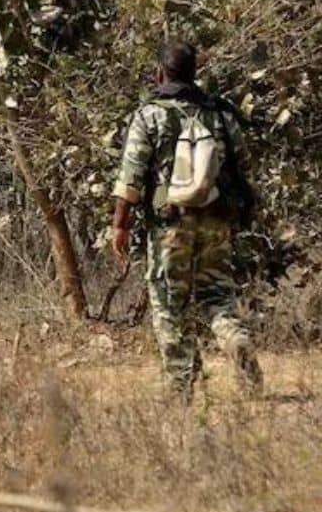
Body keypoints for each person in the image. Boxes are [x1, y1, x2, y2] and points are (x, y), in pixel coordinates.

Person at [111, 41, 262, 401]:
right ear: (194, 72)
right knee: (217, 294)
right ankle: (235, 337)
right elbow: (244, 167)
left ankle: (180, 387)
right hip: (215, 222)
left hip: (170, 226)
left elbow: (131, 177)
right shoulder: (220, 115)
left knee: (169, 302)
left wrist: (119, 224)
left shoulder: (150, 115)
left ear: (160, 72)